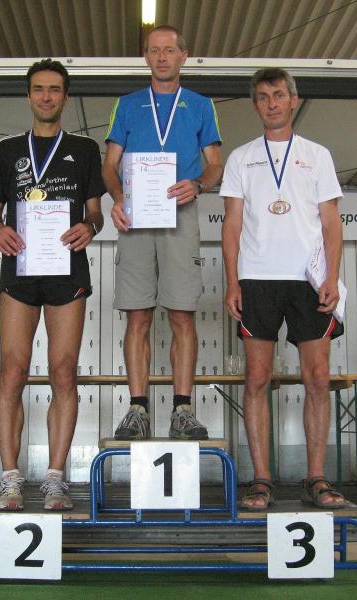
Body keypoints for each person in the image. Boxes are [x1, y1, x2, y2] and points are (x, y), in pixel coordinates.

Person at [0, 59, 105, 511]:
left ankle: (55, 479)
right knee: (12, 371)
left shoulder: (85, 149)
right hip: (19, 268)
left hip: (67, 270)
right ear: (28, 95)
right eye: (39, 89)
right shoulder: (8, 149)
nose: (47, 96)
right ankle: (10, 479)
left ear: (65, 97)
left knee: (63, 370)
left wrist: (90, 227)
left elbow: (96, 212)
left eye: (54, 89)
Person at [220, 68, 346, 510]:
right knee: (257, 379)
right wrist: (232, 281)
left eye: (278, 95)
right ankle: (261, 480)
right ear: (255, 105)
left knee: (318, 378)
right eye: (262, 96)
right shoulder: (241, 158)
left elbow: (331, 223)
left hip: (308, 280)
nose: (271, 103)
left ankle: (316, 477)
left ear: (294, 99)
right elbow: (231, 225)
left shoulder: (318, 155)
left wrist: (331, 276)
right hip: (257, 279)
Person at [103, 24, 223, 440]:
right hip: (136, 214)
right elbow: (109, 164)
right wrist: (118, 197)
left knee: (181, 314)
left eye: (169, 50)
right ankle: (137, 409)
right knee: (137, 314)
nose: (161, 57)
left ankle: (182, 410)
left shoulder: (201, 105)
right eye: (154, 50)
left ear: (183, 56)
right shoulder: (126, 104)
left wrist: (199, 184)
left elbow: (215, 163)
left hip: (180, 212)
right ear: (146, 56)